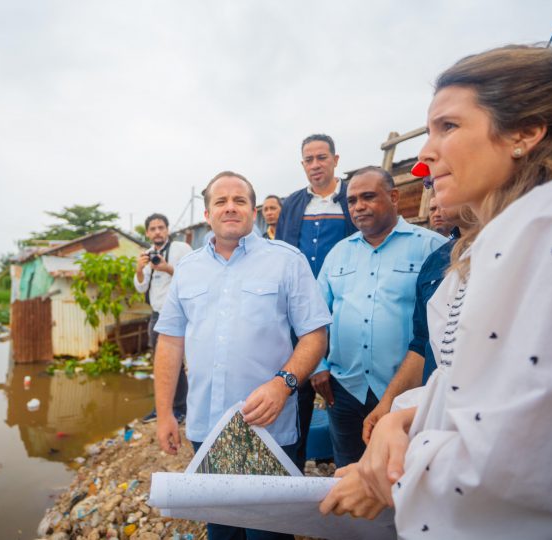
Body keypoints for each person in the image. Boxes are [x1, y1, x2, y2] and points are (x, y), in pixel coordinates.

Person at [320, 45, 552, 538]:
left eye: (448, 127)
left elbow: (528, 467)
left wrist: (388, 477)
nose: (426, 155)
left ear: (524, 132)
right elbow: (472, 384)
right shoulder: (498, 239)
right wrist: (399, 422)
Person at [154, 171, 331, 540]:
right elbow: (170, 342)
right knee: (221, 527)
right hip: (206, 426)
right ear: (207, 214)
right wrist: (166, 413)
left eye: (239, 201)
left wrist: (283, 385)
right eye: (221, 201)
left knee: (268, 531)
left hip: (268, 426)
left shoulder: (287, 261)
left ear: (254, 211)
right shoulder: (187, 270)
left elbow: (315, 335)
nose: (230, 207)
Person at [314, 166, 446, 467]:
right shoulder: (338, 253)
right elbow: (317, 315)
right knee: (348, 468)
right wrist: (318, 366)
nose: (359, 207)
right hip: (345, 387)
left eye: (368, 197)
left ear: (394, 196)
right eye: (352, 201)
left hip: (406, 391)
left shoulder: (431, 247)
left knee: (402, 470)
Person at [274, 134, 359, 467]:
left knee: (344, 392)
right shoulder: (293, 204)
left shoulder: (351, 197)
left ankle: (347, 468)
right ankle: (294, 470)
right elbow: (281, 255)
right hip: (299, 313)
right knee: (299, 390)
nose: (315, 165)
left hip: (345, 308)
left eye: (321, 157)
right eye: (308, 160)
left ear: (336, 160)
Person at [361, 201, 473, 444]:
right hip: (434, 425)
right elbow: (423, 343)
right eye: (429, 181)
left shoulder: (528, 248)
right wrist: (389, 405)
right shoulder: (438, 259)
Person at [134, 213, 192, 423]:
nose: (157, 231)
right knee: (160, 363)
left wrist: (167, 268)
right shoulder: (148, 254)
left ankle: (180, 408)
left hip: (177, 313)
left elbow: (192, 277)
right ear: (148, 233)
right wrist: (140, 269)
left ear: (167, 230)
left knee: (174, 362)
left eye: (161, 227)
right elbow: (140, 286)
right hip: (156, 315)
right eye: (153, 228)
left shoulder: (180, 250)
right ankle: (163, 407)